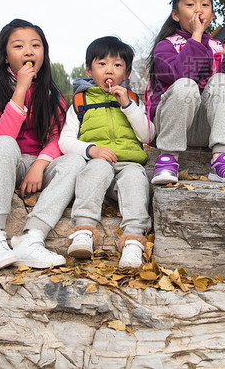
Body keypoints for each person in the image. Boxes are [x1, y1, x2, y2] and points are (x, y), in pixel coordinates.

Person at [0, 19, 86, 271]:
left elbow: (58, 137)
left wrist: (40, 165)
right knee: (5, 145)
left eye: (36, 45)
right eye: (19, 46)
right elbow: (0, 137)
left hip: (36, 163)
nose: (29, 51)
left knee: (75, 161)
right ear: (5, 55)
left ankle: (31, 238)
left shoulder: (51, 93)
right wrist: (20, 89)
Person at [59, 36, 154, 268]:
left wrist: (128, 106)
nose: (109, 70)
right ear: (89, 70)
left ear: (127, 73)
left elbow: (148, 135)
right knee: (96, 169)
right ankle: (83, 230)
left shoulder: (132, 100)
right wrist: (91, 150)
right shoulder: (81, 102)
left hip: (128, 162)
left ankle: (133, 239)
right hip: (97, 162)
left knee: (134, 178)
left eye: (117, 65)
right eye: (101, 64)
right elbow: (65, 141)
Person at [147, 0, 225, 184]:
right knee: (186, 85)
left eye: (205, 5)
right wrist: (196, 36)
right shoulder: (165, 46)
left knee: (222, 80)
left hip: (205, 128)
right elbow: (181, 74)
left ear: (212, 14)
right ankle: (168, 159)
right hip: (172, 124)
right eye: (190, 4)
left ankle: (222, 158)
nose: (198, 10)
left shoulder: (217, 46)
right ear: (176, 15)